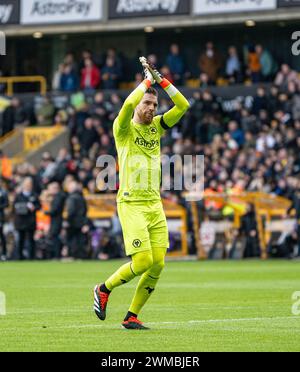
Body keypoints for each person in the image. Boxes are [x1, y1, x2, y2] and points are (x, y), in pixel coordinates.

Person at [93, 57, 190, 330]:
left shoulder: (157, 127)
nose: (151, 108)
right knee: (143, 260)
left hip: (154, 204)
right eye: (147, 103)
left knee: (157, 264)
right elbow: (125, 105)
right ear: (138, 103)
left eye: (155, 105)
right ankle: (103, 288)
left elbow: (183, 105)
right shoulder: (123, 129)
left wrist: (160, 81)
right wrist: (146, 81)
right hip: (131, 203)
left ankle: (131, 315)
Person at [14, 177, 41, 260]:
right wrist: (24, 206)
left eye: (30, 184)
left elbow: (39, 206)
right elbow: (15, 207)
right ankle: (19, 257)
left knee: (31, 239)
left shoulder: (34, 195)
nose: (28, 186)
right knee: (20, 240)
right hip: (21, 221)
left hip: (31, 221)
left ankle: (31, 257)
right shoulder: (19, 196)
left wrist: (34, 207)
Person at [65, 181, 89, 259]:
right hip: (81, 222)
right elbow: (85, 210)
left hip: (73, 222)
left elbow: (71, 211)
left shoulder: (71, 197)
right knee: (80, 240)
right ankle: (81, 256)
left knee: (71, 240)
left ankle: (72, 255)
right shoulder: (81, 197)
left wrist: (67, 220)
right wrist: (84, 222)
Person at [45, 182, 66, 258]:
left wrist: (45, 212)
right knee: (55, 237)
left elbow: (55, 210)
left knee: (55, 237)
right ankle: (56, 254)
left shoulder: (58, 197)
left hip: (56, 220)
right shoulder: (58, 196)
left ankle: (57, 255)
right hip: (56, 220)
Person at [0, 179, 9, 261]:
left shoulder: (3, 192)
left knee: (2, 236)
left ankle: (4, 254)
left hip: (0, 217)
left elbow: (7, 204)